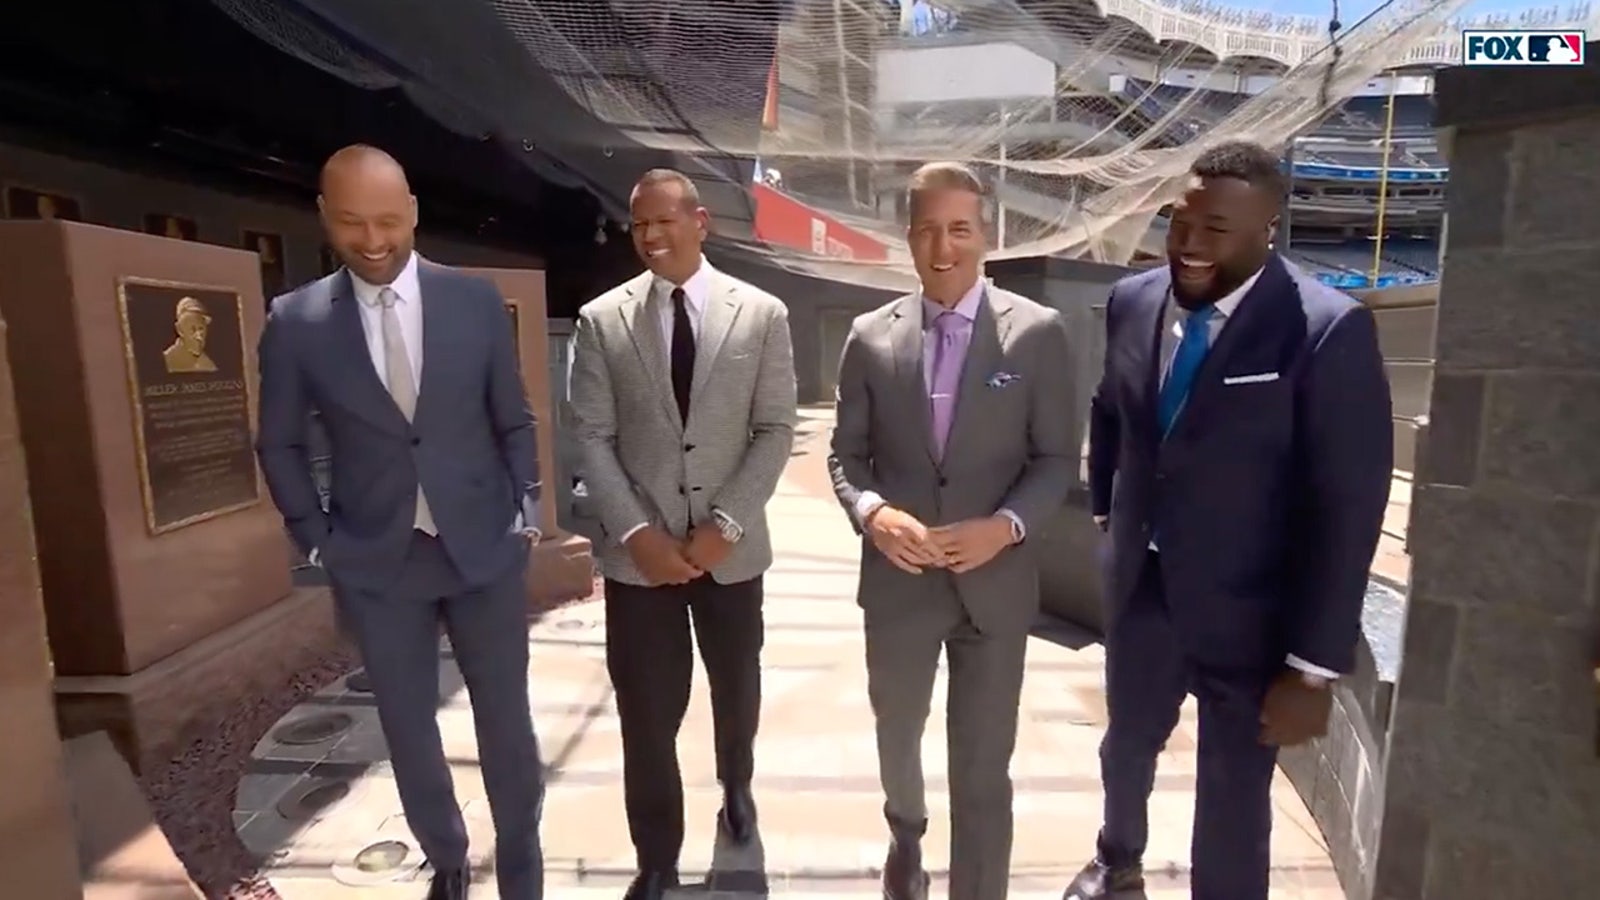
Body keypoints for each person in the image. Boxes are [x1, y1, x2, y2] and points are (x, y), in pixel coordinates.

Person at [1065, 140, 1393, 900]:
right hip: (1142, 590)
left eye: (1216, 229)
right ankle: (1117, 862)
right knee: (1125, 749)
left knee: (1233, 797)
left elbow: (1349, 501)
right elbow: (1109, 406)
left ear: (1266, 229)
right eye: (1180, 222)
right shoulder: (1134, 299)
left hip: (1253, 618)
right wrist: (1111, 509)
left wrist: (1314, 667)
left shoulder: (1326, 330)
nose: (1188, 245)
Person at [255, 144, 546, 900]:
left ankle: (521, 859)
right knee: (409, 726)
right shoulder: (297, 320)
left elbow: (511, 418)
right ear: (324, 217)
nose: (374, 240)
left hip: (483, 545)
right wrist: (315, 538)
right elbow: (279, 440)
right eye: (352, 223)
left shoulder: (473, 302)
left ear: (414, 210)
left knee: (506, 721)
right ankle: (445, 856)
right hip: (378, 558)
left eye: (388, 220)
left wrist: (527, 504)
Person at [826, 161, 1077, 900]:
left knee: (983, 765)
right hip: (900, 586)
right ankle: (905, 831)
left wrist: (1007, 526)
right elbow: (845, 455)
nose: (945, 247)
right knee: (897, 733)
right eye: (929, 230)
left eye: (960, 229)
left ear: (986, 234)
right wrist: (873, 513)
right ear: (908, 238)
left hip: (994, 591)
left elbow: (1056, 457)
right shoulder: (870, 336)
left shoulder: (1039, 336)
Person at [567, 168, 797, 900]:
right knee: (646, 713)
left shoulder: (762, 315)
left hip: (731, 556)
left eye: (665, 220)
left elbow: (774, 429)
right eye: (639, 225)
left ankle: (737, 786)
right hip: (642, 565)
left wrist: (726, 524)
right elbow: (593, 438)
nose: (652, 236)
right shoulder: (601, 321)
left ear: (702, 221)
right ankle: (657, 858)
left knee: (737, 690)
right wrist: (636, 533)